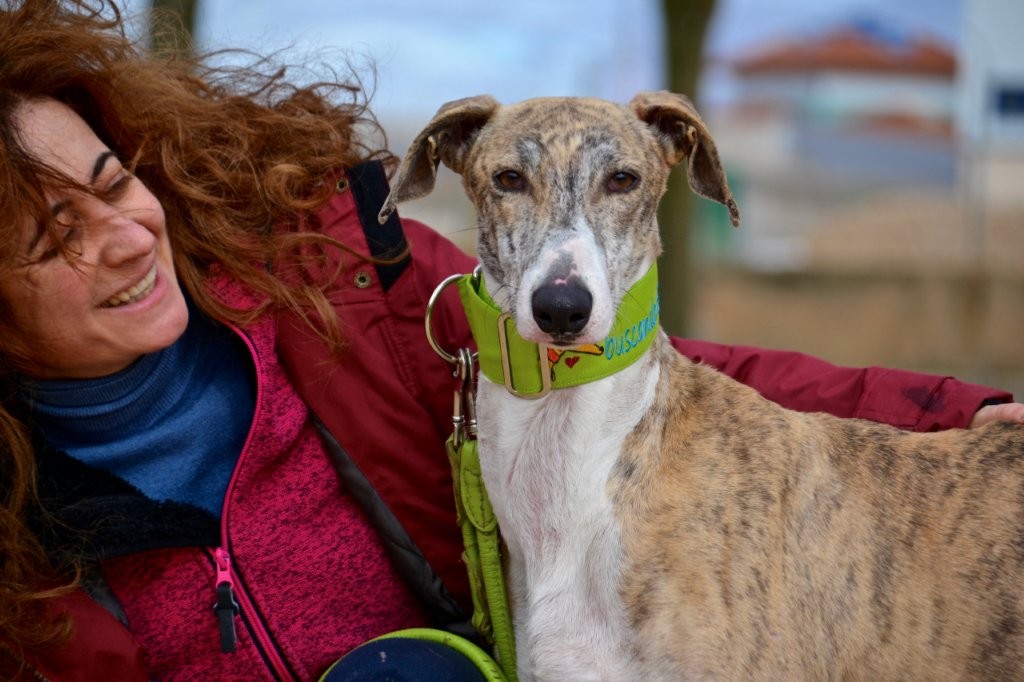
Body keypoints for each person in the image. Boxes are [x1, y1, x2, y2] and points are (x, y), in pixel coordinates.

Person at [1, 1, 1022, 680]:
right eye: (59, 236)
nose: (129, 234)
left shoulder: (347, 288)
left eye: (112, 180)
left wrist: (949, 406)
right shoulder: (25, 543)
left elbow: (676, 371)